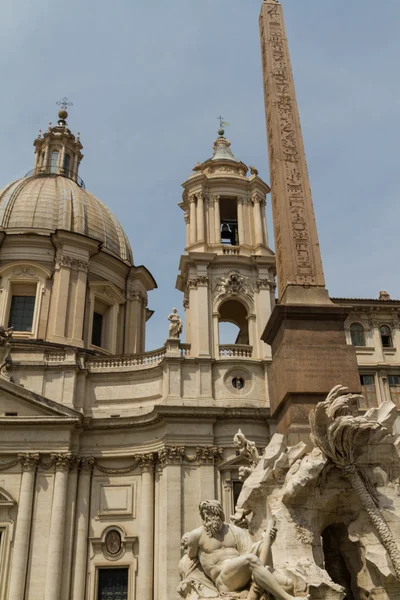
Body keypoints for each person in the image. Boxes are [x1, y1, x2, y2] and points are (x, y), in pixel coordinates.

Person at [186, 500, 309, 600]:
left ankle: (263, 588)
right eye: (205, 514)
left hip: (244, 572)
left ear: (219, 514)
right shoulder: (197, 535)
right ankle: (287, 599)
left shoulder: (234, 531)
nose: (208, 517)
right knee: (250, 559)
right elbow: (189, 559)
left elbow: (249, 550)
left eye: (211, 513)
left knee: (288, 584)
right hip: (224, 581)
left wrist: (268, 541)